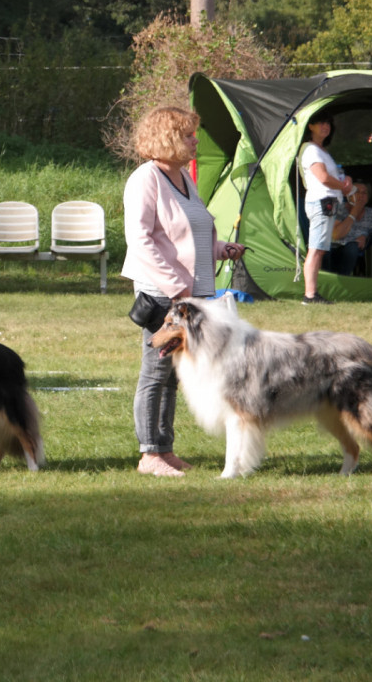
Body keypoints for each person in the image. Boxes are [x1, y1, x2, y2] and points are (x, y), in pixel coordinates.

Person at [121, 106, 245, 477]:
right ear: (169, 138)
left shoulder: (183, 178)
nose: (196, 141)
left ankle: (165, 449)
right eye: (189, 135)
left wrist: (221, 248)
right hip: (164, 295)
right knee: (155, 373)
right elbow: (140, 240)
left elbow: (188, 234)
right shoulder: (146, 179)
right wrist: (176, 287)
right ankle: (149, 455)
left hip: (190, 295)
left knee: (174, 375)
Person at [299, 112, 354, 303]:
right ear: (310, 126)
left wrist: (345, 180)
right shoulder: (311, 150)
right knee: (316, 249)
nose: (326, 126)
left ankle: (312, 293)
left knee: (319, 248)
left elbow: (333, 176)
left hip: (327, 202)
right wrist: (344, 187)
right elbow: (322, 177)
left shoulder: (322, 151)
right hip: (321, 202)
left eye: (328, 123)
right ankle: (310, 295)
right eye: (321, 123)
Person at [328, 181, 372, 276]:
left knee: (352, 248)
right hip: (334, 246)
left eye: (364, 193)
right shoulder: (339, 208)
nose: (361, 195)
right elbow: (336, 235)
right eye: (357, 192)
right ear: (349, 196)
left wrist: (365, 237)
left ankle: (345, 279)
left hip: (354, 247)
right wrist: (354, 212)